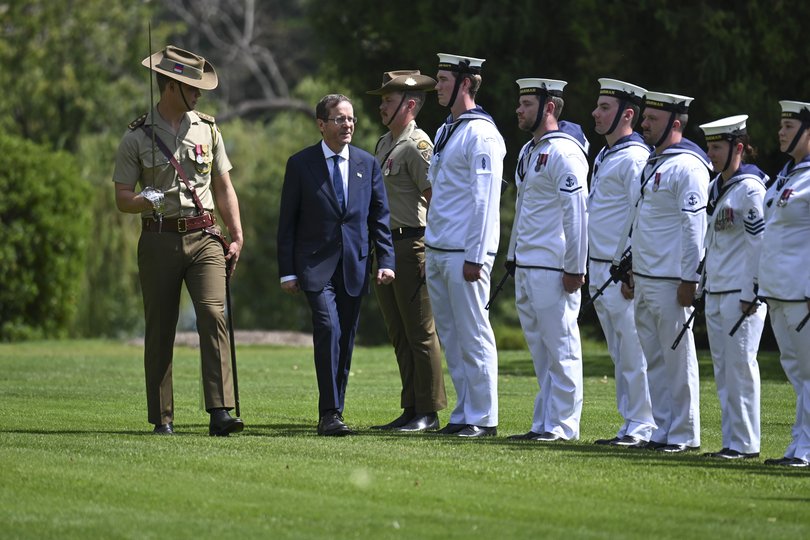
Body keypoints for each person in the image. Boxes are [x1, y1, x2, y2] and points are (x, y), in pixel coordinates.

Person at [113, 45, 244, 436]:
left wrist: (236, 234)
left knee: (213, 314)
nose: (199, 94)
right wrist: (143, 200)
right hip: (158, 239)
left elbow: (224, 187)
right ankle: (162, 417)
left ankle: (220, 411)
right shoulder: (136, 137)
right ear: (170, 85)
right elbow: (121, 197)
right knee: (160, 326)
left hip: (204, 236)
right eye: (191, 86)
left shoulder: (208, 128)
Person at [277, 94, 395, 436]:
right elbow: (287, 223)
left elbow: (379, 218)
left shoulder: (367, 163)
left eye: (351, 119)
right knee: (328, 328)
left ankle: (335, 412)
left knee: (345, 338)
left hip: (355, 265)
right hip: (315, 267)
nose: (348, 125)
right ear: (321, 124)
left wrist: (385, 260)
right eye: (340, 119)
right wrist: (287, 270)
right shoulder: (300, 164)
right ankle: (328, 412)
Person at [425, 53, 505, 438]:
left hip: (464, 253)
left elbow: (485, 201)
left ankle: (484, 417)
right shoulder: (447, 130)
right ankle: (463, 412)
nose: (437, 86)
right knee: (452, 338)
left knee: (473, 333)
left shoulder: (482, 134)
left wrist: (476, 255)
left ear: (465, 83)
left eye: (443, 79)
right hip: (440, 248)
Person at [505, 78, 589, 442]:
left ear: (549, 107)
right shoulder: (528, 151)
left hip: (555, 267)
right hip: (528, 263)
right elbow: (523, 207)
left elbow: (577, 214)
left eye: (526, 103)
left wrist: (575, 266)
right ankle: (544, 422)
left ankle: (564, 426)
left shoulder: (565, 153)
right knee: (541, 351)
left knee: (562, 348)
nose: (519, 110)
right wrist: (512, 256)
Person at [627, 90, 710, 453]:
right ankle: (662, 429)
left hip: (671, 280)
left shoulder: (688, 166)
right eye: (645, 117)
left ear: (675, 124)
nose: (644, 123)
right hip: (646, 276)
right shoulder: (654, 162)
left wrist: (690, 278)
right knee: (655, 360)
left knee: (678, 360)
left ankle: (684, 433)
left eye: (652, 119)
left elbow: (694, 229)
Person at [366, 70, 448, 432]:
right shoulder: (385, 144)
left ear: (409, 104)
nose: (382, 105)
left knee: (420, 332)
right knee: (399, 332)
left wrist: (431, 252)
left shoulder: (418, 146)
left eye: (388, 99)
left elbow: (437, 203)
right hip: (386, 247)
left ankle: (428, 412)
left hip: (412, 244)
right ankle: (411, 405)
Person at [587, 78, 656, 448]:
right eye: (598, 107)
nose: (596, 114)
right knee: (619, 351)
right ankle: (630, 422)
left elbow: (639, 217)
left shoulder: (634, 158)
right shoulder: (606, 154)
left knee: (633, 351)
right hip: (599, 267)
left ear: (627, 114)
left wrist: (628, 268)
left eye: (605, 108)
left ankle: (642, 425)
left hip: (619, 272)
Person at [698, 115, 768, 460]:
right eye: (709, 147)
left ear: (738, 148)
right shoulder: (717, 186)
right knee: (725, 372)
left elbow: (759, 244)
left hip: (741, 295)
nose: (711, 154)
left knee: (740, 368)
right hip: (718, 290)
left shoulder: (751, 190)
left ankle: (745, 444)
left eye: (717, 147)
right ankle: (732, 442)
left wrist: (752, 291)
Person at [757, 100, 810, 468]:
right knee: (796, 372)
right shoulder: (786, 176)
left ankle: (806, 449)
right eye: (781, 126)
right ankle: (799, 444)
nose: (781, 132)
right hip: (778, 291)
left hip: (802, 292)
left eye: (789, 127)